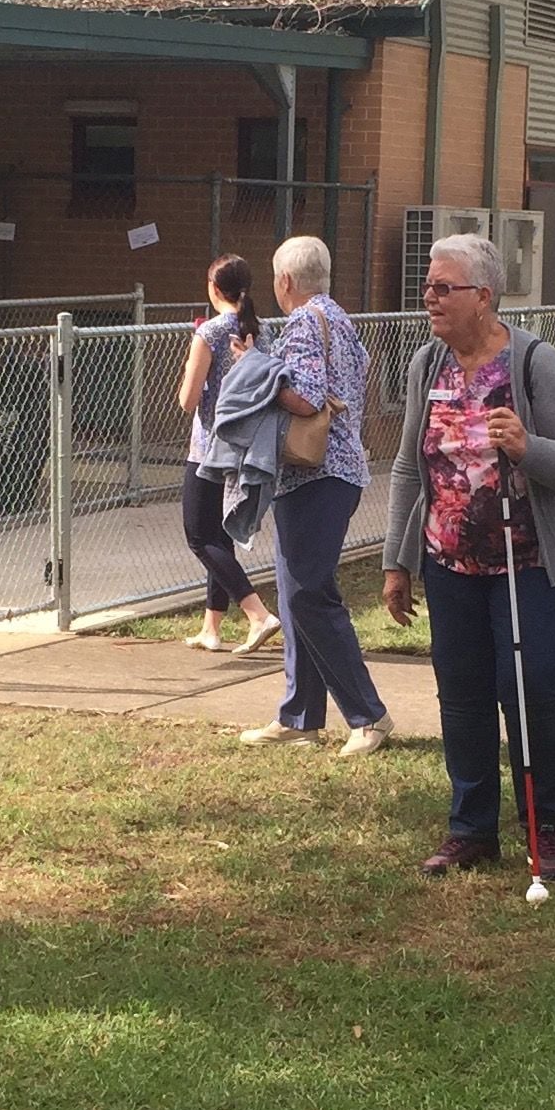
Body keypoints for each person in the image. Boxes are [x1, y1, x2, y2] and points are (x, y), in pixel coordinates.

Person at [381, 232, 555, 878]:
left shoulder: (534, 363)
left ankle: (545, 824)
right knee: (462, 692)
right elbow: (408, 468)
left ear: (483, 296)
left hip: (525, 562)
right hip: (449, 563)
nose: (429, 297)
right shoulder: (427, 365)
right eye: (427, 287)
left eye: (442, 288)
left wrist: (528, 448)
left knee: (527, 688)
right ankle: (471, 828)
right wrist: (398, 561)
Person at [240, 235, 393, 755]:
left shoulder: (305, 321)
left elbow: (305, 399)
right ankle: (299, 716)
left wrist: (253, 369)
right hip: (329, 473)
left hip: (317, 473)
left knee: (309, 593)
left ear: (285, 280)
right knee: (294, 595)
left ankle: (369, 716)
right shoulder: (338, 317)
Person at [174, 254, 279, 656]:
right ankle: (211, 627)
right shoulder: (263, 330)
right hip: (246, 447)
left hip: (208, 450)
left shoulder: (210, 332)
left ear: (213, 288)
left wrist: (190, 368)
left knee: (199, 536)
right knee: (221, 536)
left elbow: (188, 400)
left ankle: (257, 613)